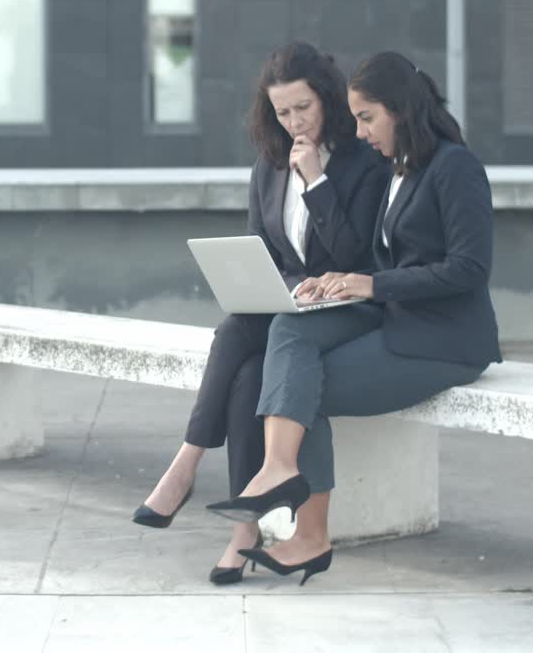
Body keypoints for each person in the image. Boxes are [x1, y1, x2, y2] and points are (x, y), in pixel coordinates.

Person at [202, 50, 502, 585]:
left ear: (402, 111)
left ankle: (302, 520)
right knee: (293, 351)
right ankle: (291, 498)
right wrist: (334, 283)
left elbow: (469, 269)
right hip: (400, 324)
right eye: (357, 118)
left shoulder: (456, 167)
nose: (360, 132)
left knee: (300, 384)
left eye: (367, 118)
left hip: (447, 343)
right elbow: (367, 255)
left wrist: (371, 283)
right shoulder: (399, 169)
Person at [131, 41, 390, 586]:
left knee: (238, 342)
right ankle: (242, 531)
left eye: (304, 107)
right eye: (282, 111)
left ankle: (186, 466)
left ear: (328, 99)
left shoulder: (363, 164)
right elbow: (263, 252)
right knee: (246, 367)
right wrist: (286, 288)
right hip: (295, 308)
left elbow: (352, 256)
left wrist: (316, 183)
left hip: (348, 313)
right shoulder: (268, 167)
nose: (294, 121)